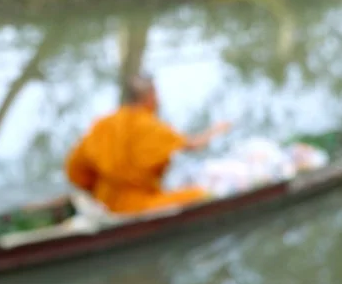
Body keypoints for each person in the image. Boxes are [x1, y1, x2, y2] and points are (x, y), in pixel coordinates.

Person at [64, 75, 231, 215]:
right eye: (156, 95)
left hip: (102, 197)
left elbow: (76, 167)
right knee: (199, 194)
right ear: (150, 96)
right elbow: (193, 145)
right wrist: (216, 130)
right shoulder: (150, 127)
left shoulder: (104, 123)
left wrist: (94, 188)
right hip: (134, 205)